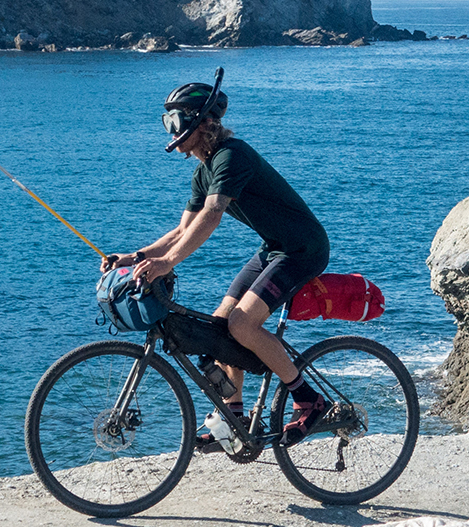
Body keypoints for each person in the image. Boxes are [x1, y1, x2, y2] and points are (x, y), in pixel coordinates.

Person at [102, 73, 332, 450]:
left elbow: (211, 216)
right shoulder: (203, 170)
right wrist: (137, 256)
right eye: (167, 122)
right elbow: (182, 230)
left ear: (201, 122)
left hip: (302, 249)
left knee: (242, 324)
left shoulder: (232, 155)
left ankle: (308, 399)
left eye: (176, 121)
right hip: (275, 247)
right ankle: (234, 416)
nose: (171, 129)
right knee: (220, 327)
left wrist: (168, 263)